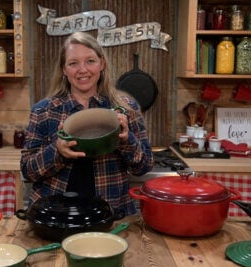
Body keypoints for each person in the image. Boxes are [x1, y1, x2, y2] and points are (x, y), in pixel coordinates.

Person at [20, 31, 153, 216]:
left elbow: (144, 167)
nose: (83, 70)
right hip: (57, 217)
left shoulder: (125, 108)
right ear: (64, 70)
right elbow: (27, 171)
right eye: (73, 63)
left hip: (110, 215)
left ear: (102, 64)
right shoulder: (44, 110)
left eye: (90, 61)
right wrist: (57, 150)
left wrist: (126, 139)